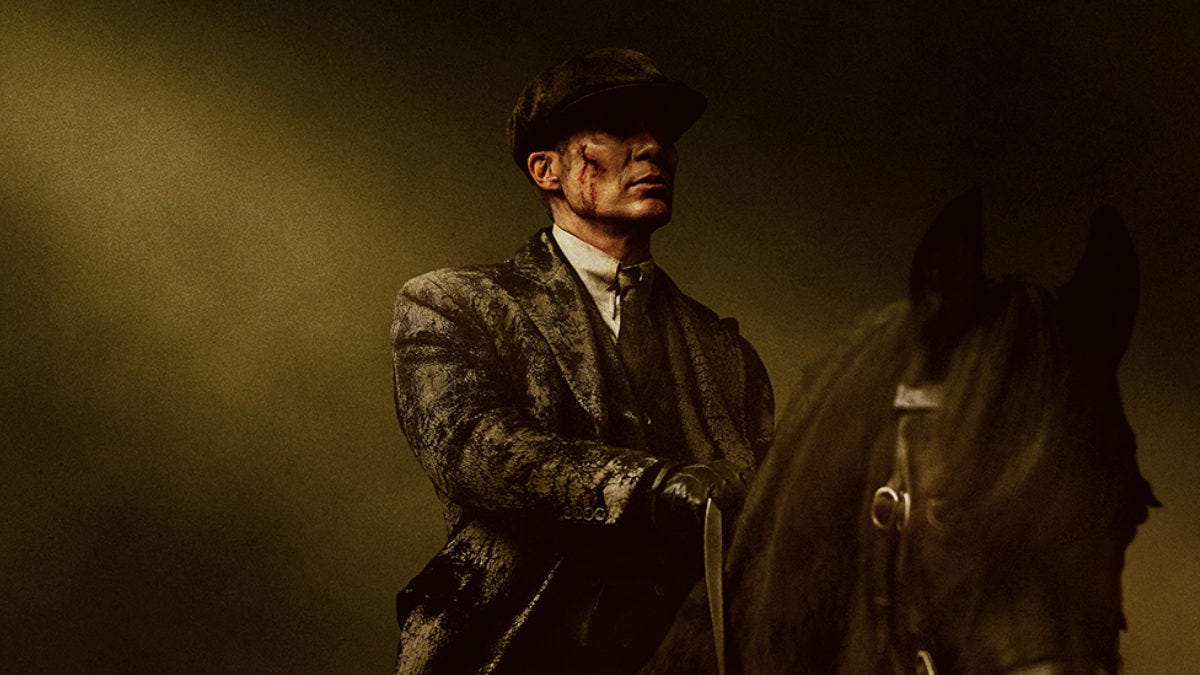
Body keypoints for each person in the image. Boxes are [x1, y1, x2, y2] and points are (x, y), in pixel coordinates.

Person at [391, 48, 774, 674]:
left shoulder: (726, 352)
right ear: (547, 169)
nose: (653, 149)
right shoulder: (453, 303)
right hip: (516, 652)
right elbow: (473, 450)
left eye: (664, 134)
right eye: (620, 129)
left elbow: (774, 520)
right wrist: (651, 486)